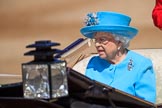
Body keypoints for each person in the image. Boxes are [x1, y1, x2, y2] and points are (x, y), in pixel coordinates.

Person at [80, 11, 156, 103]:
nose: (97, 44)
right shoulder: (93, 63)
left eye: (102, 40)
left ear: (119, 42)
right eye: (95, 40)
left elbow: (146, 104)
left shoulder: (141, 64)